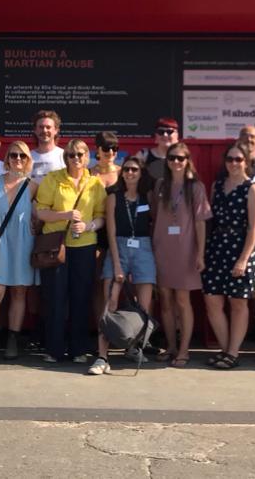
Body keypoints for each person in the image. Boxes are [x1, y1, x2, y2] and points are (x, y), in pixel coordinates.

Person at [34, 137, 107, 364]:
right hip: (57, 246)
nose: (76, 158)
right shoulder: (53, 179)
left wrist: (89, 225)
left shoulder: (95, 183)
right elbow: (40, 212)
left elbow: (101, 216)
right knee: (55, 298)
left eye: (80, 154)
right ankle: (54, 350)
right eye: (71, 155)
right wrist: (64, 215)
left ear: (87, 157)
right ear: (65, 158)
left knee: (80, 298)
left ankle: (78, 350)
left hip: (84, 246)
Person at [87, 158, 156, 375]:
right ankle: (102, 356)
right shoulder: (113, 197)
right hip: (120, 247)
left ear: (141, 172)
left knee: (144, 306)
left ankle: (134, 348)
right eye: (126, 169)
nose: (130, 173)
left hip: (144, 247)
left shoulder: (148, 197)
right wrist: (117, 264)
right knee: (111, 303)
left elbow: (154, 224)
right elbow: (111, 232)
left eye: (134, 169)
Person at [202, 142, 255, 369]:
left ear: (247, 162)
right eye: (230, 159)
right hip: (217, 247)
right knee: (212, 300)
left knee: (238, 303)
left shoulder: (252, 189)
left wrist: (243, 259)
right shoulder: (216, 186)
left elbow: (254, 228)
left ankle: (233, 353)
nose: (234, 163)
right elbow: (210, 222)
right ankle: (226, 348)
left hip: (240, 248)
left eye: (239, 159)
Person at [0, 140, 38, 363]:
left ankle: (13, 339)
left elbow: (39, 215)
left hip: (23, 245)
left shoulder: (33, 186)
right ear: (7, 158)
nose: (17, 160)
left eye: (22, 156)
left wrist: (37, 225)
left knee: (19, 293)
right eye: (13, 155)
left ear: (28, 160)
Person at [152, 141, 211, 368]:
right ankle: (171, 346)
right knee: (165, 301)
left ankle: (184, 350)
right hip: (162, 249)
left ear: (187, 161)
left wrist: (200, 254)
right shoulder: (160, 185)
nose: (176, 162)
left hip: (186, 250)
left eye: (180, 158)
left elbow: (201, 223)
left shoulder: (195, 187)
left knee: (183, 300)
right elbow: (155, 217)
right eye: (172, 158)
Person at [30, 109, 64, 181]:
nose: (44, 130)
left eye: (48, 127)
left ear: (56, 130)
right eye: (41, 127)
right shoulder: (27, 157)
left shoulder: (64, 155)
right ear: (35, 130)